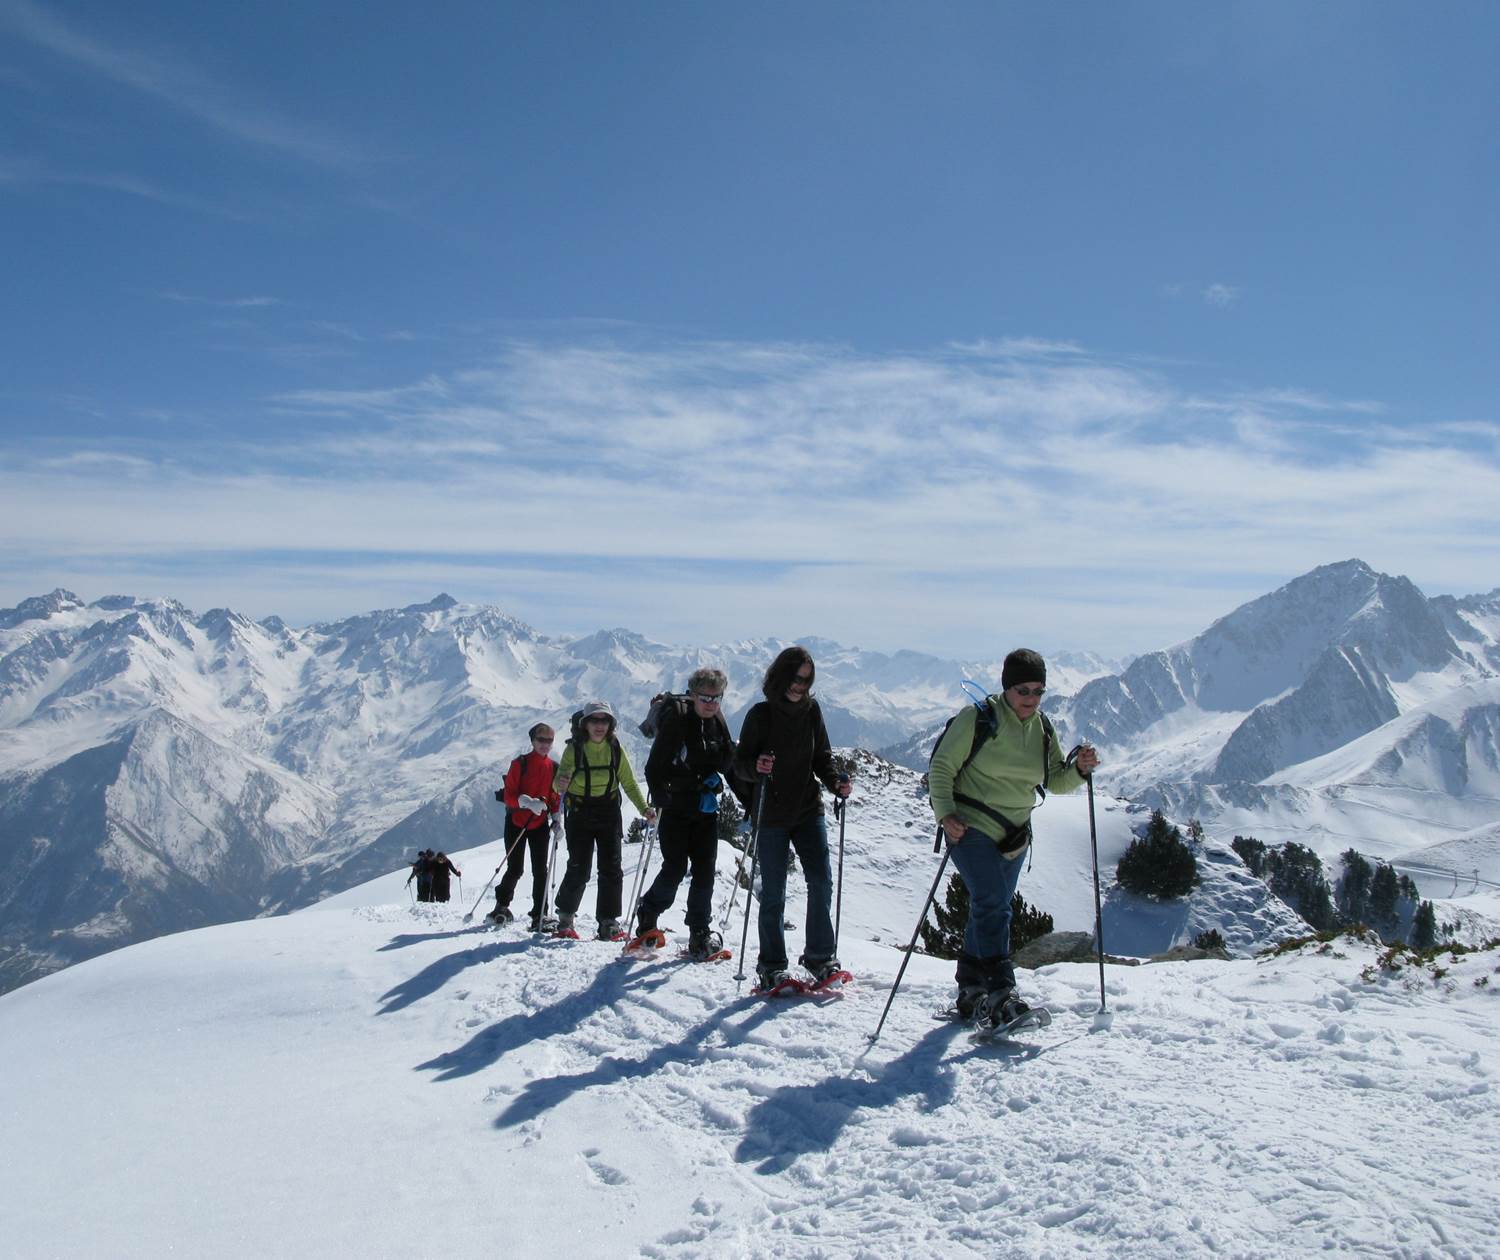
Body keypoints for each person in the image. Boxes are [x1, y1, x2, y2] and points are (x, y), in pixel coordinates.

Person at [927, 648, 1100, 1027]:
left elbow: (1054, 780)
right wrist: (946, 814)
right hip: (970, 827)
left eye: (1038, 691)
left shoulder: (1043, 727)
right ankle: (1001, 992)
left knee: (989, 907)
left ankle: (971, 990)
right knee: (993, 904)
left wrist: (1080, 770)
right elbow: (941, 766)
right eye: (1023, 690)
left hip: (1015, 835)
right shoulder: (979, 719)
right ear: (1006, 687)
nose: (1031, 699)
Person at [732, 646, 853, 990]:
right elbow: (739, 763)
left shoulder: (812, 712)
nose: (801, 686)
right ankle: (771, 965)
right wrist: (756, 768)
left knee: (821, 881)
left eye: (807, 680)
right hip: (770, 813)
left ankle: (820, 957)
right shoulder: (761, 715)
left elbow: (821, 757)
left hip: (806, 808)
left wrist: (835, 783)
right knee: (773, 892)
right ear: (781, 676)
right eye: (796, 678)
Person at [639, 669, 737, 958]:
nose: (711, 703)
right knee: (675, 867)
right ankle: (648, 912)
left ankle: (699, 932)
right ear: (693, 694)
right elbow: (653, 766)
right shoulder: (678, 721)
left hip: (705, 808)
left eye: (716, 697)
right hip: (677, 807)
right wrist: (660, 798)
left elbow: (725, 761)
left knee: (705, 870)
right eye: (705, 697)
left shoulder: (718, 721)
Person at [553, 701, 656, 939]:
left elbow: (628, 782)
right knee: (579, 866)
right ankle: (566, 918)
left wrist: (645, 809)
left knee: (611, 867)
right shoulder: (574, 749)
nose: (599, 726)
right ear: (585, 724)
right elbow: (558, 782)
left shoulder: (614, 748)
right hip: (579, 812)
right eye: (594, 721)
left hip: (608, 811)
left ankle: (608, 922)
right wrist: (559, 784)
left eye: (604, 721)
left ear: (611, 725)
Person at [489, 724, 562, 930]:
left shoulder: (553, 767)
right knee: (516, 868)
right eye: (541, 740)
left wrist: (557, 819)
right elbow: (509, 795)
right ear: (532, 740)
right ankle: (501, 906)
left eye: (549, 740)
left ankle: (539, 913)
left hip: (538, 824)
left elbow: (554, 796)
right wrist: (527, 802)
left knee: (541, 871)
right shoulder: (519, 764)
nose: (545, 744)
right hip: (517, 822)